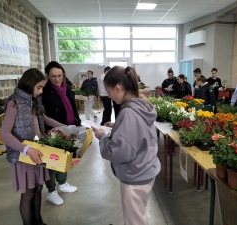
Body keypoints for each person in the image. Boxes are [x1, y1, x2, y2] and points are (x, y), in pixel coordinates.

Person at [92, 66, 161, 225]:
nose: (109, 96)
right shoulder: (141, 105)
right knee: (137, 215)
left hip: (135, 176)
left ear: (118, 88)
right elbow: (138, 131)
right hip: (146, 169)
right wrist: (117, 126)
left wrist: (102, 137)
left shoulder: (128, 113)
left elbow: (119, 152)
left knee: (134, 221)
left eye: (109, 92)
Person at [0, 68, 65, 225]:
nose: (41, 91)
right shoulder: (14, 103)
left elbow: (45, 119)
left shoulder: (34, 100)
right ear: (29, 85)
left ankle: (39, 221)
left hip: (39, 153)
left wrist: (66, 127)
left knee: (37, 189)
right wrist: (27, 149)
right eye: (39, 87)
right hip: (24, 156)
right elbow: (4, 134)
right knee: (28, 192)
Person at [42, 61, 81, 206]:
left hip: (70, 129)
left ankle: (62, 183)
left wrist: (77, 125)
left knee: (65, 157)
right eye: (53, 77)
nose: (57, 79)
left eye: (60, 76)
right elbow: (43, 116)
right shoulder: (44, 92)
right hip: (53, 131)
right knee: (52, 161)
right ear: (48, 76)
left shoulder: (67, 88)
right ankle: (51, 191)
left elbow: (73, 108)